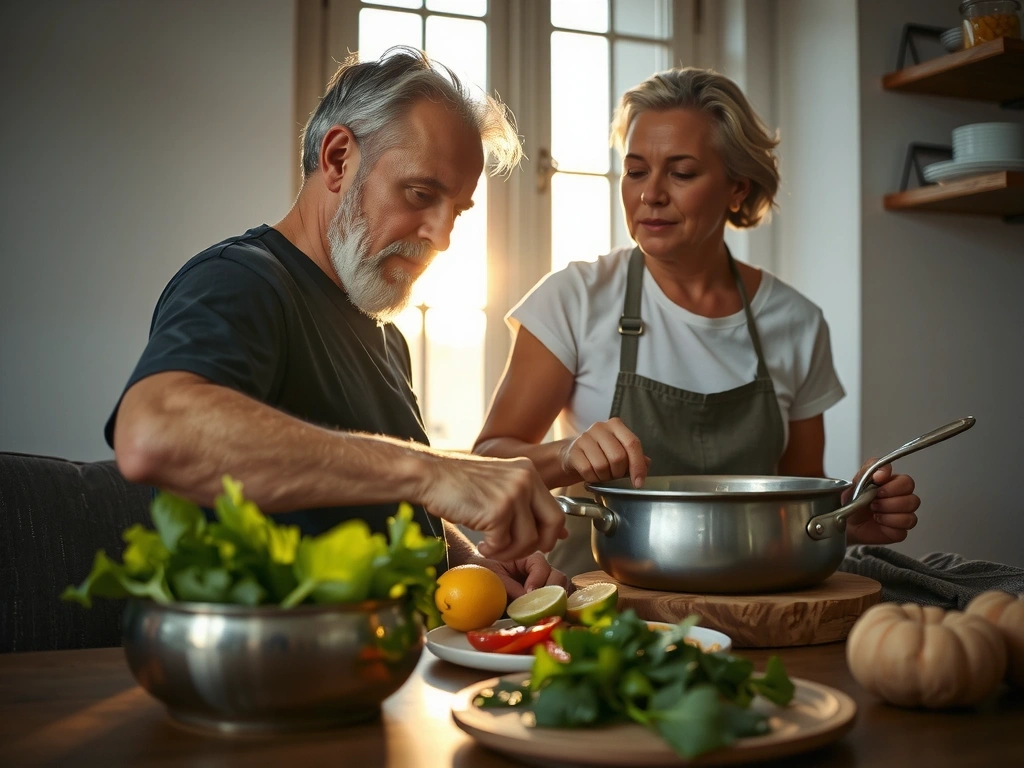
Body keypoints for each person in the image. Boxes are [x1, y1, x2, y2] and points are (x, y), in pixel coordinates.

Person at [107, 47, 567, 598]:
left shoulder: (384, 337)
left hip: (382, 661)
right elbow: (151, 434)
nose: (442, 237)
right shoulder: (240, 281)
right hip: (263, 669)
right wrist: (435, 470)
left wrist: (466, 559)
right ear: (338, 158)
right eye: (421, 194)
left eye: (457, 210)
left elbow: (374, 500)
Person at [473, 67, 920, 578]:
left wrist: (849, 517)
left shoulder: (796, 322)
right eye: (636, 171)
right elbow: (488, 463)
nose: (651, 195)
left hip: (755, 607)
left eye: (681, 173)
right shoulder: (573, 298)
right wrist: (567, 453)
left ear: (736, 189)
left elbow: (802, 498)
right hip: (596, 608)